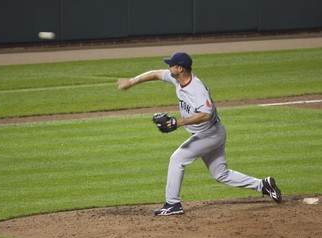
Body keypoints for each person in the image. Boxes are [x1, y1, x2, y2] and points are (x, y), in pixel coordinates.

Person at [117, 52, 282, 216]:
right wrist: (131, 82)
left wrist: (178, 122)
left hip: (209, 134)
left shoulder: (196, 88)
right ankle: (263, 185)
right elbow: (155, 74)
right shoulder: (177, 79)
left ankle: (172, 204)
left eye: (171, 65)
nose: (168, 67)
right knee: (220, 174)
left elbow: (206, 114)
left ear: (180, 68)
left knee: (177, 159)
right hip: (212, 133)